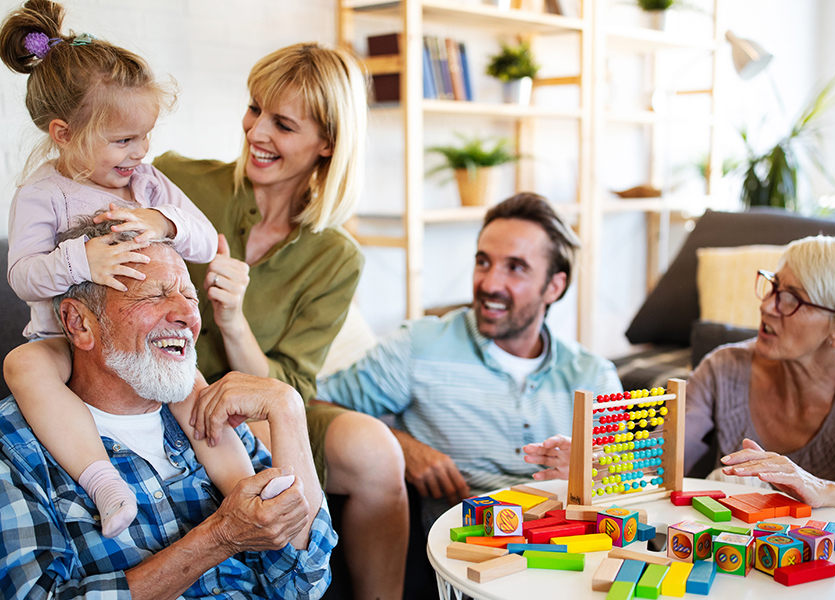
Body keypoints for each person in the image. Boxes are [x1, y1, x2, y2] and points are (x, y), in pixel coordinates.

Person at [152, 42, 407, 600]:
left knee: (377, 450)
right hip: (178, 393)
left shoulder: (336, 257)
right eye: (254, 109)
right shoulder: (175, 181)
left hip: (266, 405)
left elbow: (289, 386)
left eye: (283, 125)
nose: (256, 132)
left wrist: (233, 320)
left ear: (327, 143)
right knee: (264, 451)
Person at [0, 0, 256, 540]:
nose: (140, 152)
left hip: (139, 343)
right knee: (23, 367)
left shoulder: (147, 184)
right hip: (63, 341)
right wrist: (81, 260)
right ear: (63, 133)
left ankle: (248, 488)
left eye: (145, 136)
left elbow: (207, 241)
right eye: (122, 140)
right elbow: (22, 276)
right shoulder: (42, 195)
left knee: (191, 390)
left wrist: (162, 221)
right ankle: (103, 483)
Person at [0, 218, 336, 599]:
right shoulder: (16, 447)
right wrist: (221, 536)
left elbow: (304, 583)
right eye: (154, 295)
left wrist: (287, 408)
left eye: (190, 298)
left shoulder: (209, 411)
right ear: (79, 323)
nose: (188, 316)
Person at [315, 193, 623, 527]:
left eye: (515, 268)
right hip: (465, 549)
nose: (489, 283)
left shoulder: (595, 377)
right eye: (483, 262)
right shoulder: (418, 346)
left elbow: (629, 481)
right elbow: (316, 404)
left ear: (554, 286)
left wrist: (594, 475)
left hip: (575, 547)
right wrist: (398, 446)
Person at [683, 235, 835, 523]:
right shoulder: (723, 367)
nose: (767, 306)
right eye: (774, 286)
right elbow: (664, 461)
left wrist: (823, 490)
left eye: (792, 299)